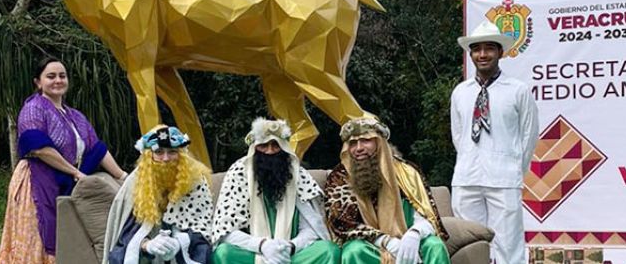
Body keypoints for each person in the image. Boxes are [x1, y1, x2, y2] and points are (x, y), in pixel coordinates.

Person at [0, 57, 129, 263]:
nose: (58, 80)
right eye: (51, 76)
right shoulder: (34, 108)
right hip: (36, 182)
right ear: (38, 82)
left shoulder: (75, 116)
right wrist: (75, 172)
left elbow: (97, 149)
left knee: (65, 238)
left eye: (62, 76)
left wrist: (123, 177)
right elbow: (39, 149)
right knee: (38, 238)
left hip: (65, 182)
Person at [450, 20, 539, 264]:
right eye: (477, 49)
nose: (483, 54)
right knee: (469, 244)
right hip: (467, 178)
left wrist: (511, 169)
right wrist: (472, 158)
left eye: (489, 48)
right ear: (471, 54)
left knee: (507, 245)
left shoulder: (517, 90)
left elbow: (528, 136)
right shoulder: (461, 91)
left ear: (501, 52)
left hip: (504, 178)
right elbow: (458, 135)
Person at [211, 118, 340, 264]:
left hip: (292, 255)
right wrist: (263, 246)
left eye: (275, 145)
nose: (270, 151)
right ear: (255, 148)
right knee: (224, 253)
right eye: (263, 146)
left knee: (328, 250)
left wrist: (291, 247)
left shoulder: (298, 175)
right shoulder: (239, 173)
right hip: (252, 254)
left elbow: (311, 227)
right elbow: (226, 232)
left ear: (284, 147)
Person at [324, 117, 450, 264]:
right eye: (352, 143)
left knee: (435, 246)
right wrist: (386, 241)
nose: (358, 148)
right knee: (354, 251)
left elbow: (428, 216)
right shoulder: (339, 177)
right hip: (369, 246)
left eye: (366, 140)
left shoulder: (407, 172)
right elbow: (341, 224)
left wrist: (414, 234)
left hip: (408, 241)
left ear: (380, 143)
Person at [104, 125, 214, 264]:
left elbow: (204, 231)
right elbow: (125, 235)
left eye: (172, 152)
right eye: (159, 152)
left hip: (185, 247)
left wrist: (179, 242)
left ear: (181, 154)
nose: (166, 158)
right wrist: (146, 245)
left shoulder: (195, 180)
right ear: (150, 156)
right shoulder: (137, 181)